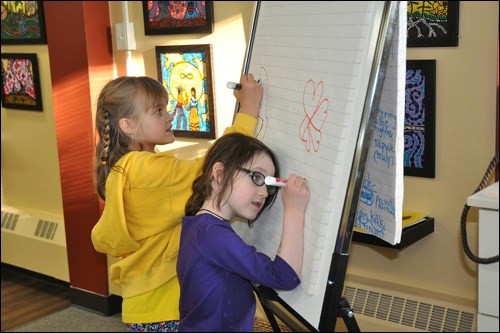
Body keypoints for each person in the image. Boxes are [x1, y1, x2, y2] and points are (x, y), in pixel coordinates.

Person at [91, 74, 262, 332]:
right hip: (164, 305)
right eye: (158, 111)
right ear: (127, 125)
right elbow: (214, 166)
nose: (170, 116)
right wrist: (249, 110)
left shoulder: (127, 168)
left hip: (147, 304)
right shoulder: (143, 168)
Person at [177, 132, 310, 332]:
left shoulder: (200, 225)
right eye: (256, 177)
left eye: (268, 184)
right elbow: (284, 276)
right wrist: (294, 208)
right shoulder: (213, 235)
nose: (264, 192)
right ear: (220, 174)